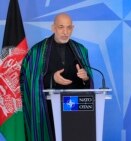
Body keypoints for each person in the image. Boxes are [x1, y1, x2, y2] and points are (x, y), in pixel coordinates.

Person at [20, 13, 94, 141]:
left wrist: (85, 78)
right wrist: (52, 78)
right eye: (61, 27)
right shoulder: (37, 51)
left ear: (73, 28)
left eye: (69, 27)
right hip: (47, 109)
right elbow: (27, 80)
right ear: (53, 28)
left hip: (75, 109)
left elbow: (88, 82)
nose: (65, 32)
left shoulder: (81, 50)